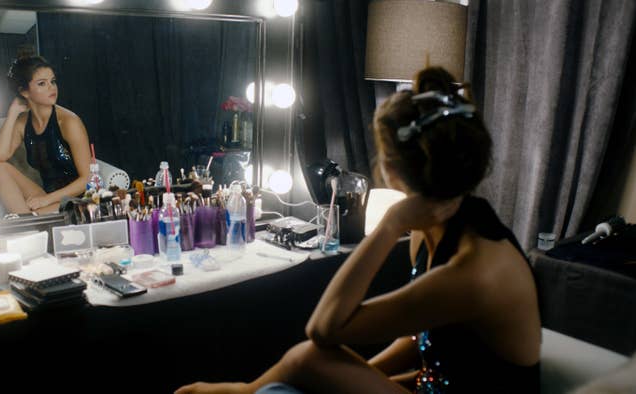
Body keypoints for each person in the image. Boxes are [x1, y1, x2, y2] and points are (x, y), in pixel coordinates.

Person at [175, 67, 541, 394]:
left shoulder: (472, 271)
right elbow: (420, 337)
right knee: (310, 364)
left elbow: (322, 328)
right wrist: (355, 375)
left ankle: (242, 391)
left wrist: (389, 225)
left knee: (309, 358)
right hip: (435, 383)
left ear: (393, 172)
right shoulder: (439, 227)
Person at [0, 56, 91, 214]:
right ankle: (27, 219)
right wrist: (12, 114)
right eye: (42, 83)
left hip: (79, 199)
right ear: (24, 91)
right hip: (49, 196)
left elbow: (87, 180)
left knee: (33, 216)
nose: (52, 88)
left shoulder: (68, 122)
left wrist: (46, 200)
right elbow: (0, 157)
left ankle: (27, 220)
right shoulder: (22, 123)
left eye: (52, 81)